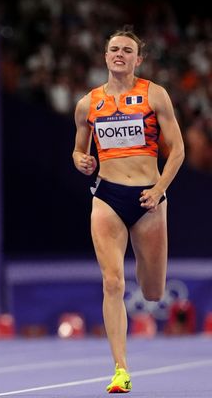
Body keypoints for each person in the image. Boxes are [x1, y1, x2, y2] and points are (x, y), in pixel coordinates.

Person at [72, 27, 184, 393]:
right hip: (107, 198)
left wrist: (159, 190)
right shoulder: (88, 103)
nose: (119, 54)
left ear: (139, 59)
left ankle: (148, 293)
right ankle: (120, 369)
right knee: (113, 281)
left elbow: (178, 150)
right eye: (114, 49)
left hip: (149, 198)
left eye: (127, 50)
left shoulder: (155, 95)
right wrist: (82, 160)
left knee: (152, 292)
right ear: (105, 56)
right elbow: (78, 149)